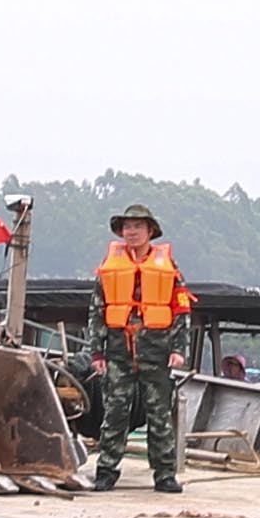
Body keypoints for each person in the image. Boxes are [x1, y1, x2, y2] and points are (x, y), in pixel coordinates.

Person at [84, 205, 192, 493]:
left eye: (137, 227)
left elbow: (181, 310)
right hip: (119, 352)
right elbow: (96, 311)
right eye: (127, 227)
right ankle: (106, 471)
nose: (131, 232)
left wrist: (179, 349)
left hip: (156, 352)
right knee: (115, 412)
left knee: (159, 413)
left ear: (150, 231)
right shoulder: (109, 267)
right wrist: (97, 352)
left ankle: (165, 474)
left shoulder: (168, 267)